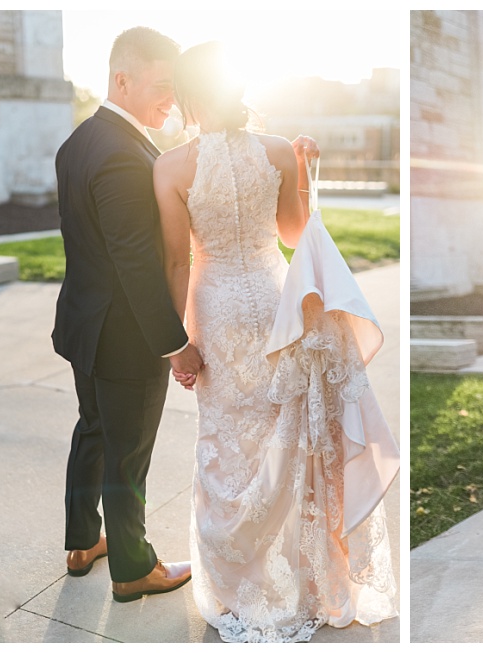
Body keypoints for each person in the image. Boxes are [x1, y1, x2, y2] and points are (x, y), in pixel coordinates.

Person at [151, 41, 397, 642]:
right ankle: (308, 580)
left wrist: (179, 341)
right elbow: (293, 233)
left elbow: (176, 262)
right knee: (289, 437)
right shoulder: (279, 150)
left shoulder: (171, 167)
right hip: (274, 301)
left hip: (216, 307)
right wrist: (302, 174)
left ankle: (244, 587)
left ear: (186, 95)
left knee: (228, 439)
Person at [54, 26, 199, 604]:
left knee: (92, 430)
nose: (171, 98)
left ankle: (83, 542)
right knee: (128, 449)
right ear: (122, 79)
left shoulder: (80, 141)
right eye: (162, 86)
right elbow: (136, 261)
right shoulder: (124, 154)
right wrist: (174, 341)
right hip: (124, 336)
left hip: (84, 325)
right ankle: (134, 569)